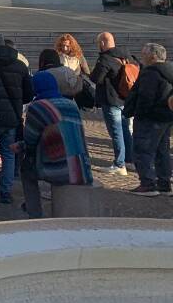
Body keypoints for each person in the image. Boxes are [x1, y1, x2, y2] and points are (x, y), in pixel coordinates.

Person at [16, 70, 93, 217]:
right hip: (80, 165)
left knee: (26, 170)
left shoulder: (38, 107)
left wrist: (19, 146)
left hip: (58, 168)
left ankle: (34, 211)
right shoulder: (71, 105)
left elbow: (31, 141)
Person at [0, 32, 32, 204]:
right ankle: (5, 192)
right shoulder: (20, 65)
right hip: (11, 115)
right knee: (8, 154)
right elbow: (28, 93)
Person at [123, 42, 173, 196]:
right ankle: (164, 183)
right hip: (166, 116)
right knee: (162, 150)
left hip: (149, 117)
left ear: (152, 56)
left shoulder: (150, 73)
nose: (142, 56)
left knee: (142, 150)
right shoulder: (169, 70)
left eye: (144, 53)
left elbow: (146, 96)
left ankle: (147, 183)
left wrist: (138, 113)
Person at [90, 32, 136, 176]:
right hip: (126, 98)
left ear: (102, 43)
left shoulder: (105, 59)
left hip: (111, 100)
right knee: (125, 130)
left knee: (116, 132)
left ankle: (119, 164)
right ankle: (130, 160)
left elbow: (97, 78)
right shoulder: (127, 55)